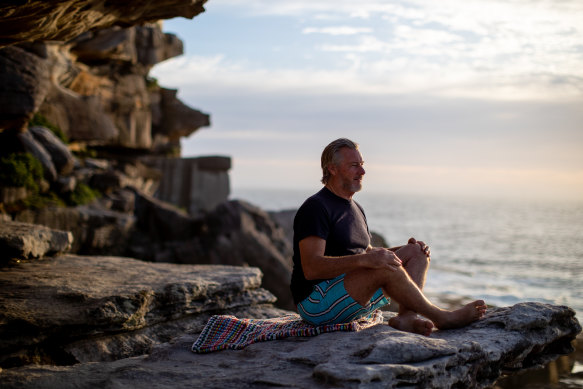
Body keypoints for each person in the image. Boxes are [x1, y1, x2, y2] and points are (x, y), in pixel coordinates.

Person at [290, 138, 486, 336]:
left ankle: (407, 318)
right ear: (332, 169)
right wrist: (368, 259)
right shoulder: (316, 207)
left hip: (348, 291)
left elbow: (364, 252)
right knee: (385, 266)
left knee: (416, 252)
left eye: (362, 165)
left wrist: (403, 251)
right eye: (354, 166)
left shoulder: (356, 208)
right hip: (316, 304)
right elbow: (312, 268)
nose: (362, 172)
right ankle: (442, 317)